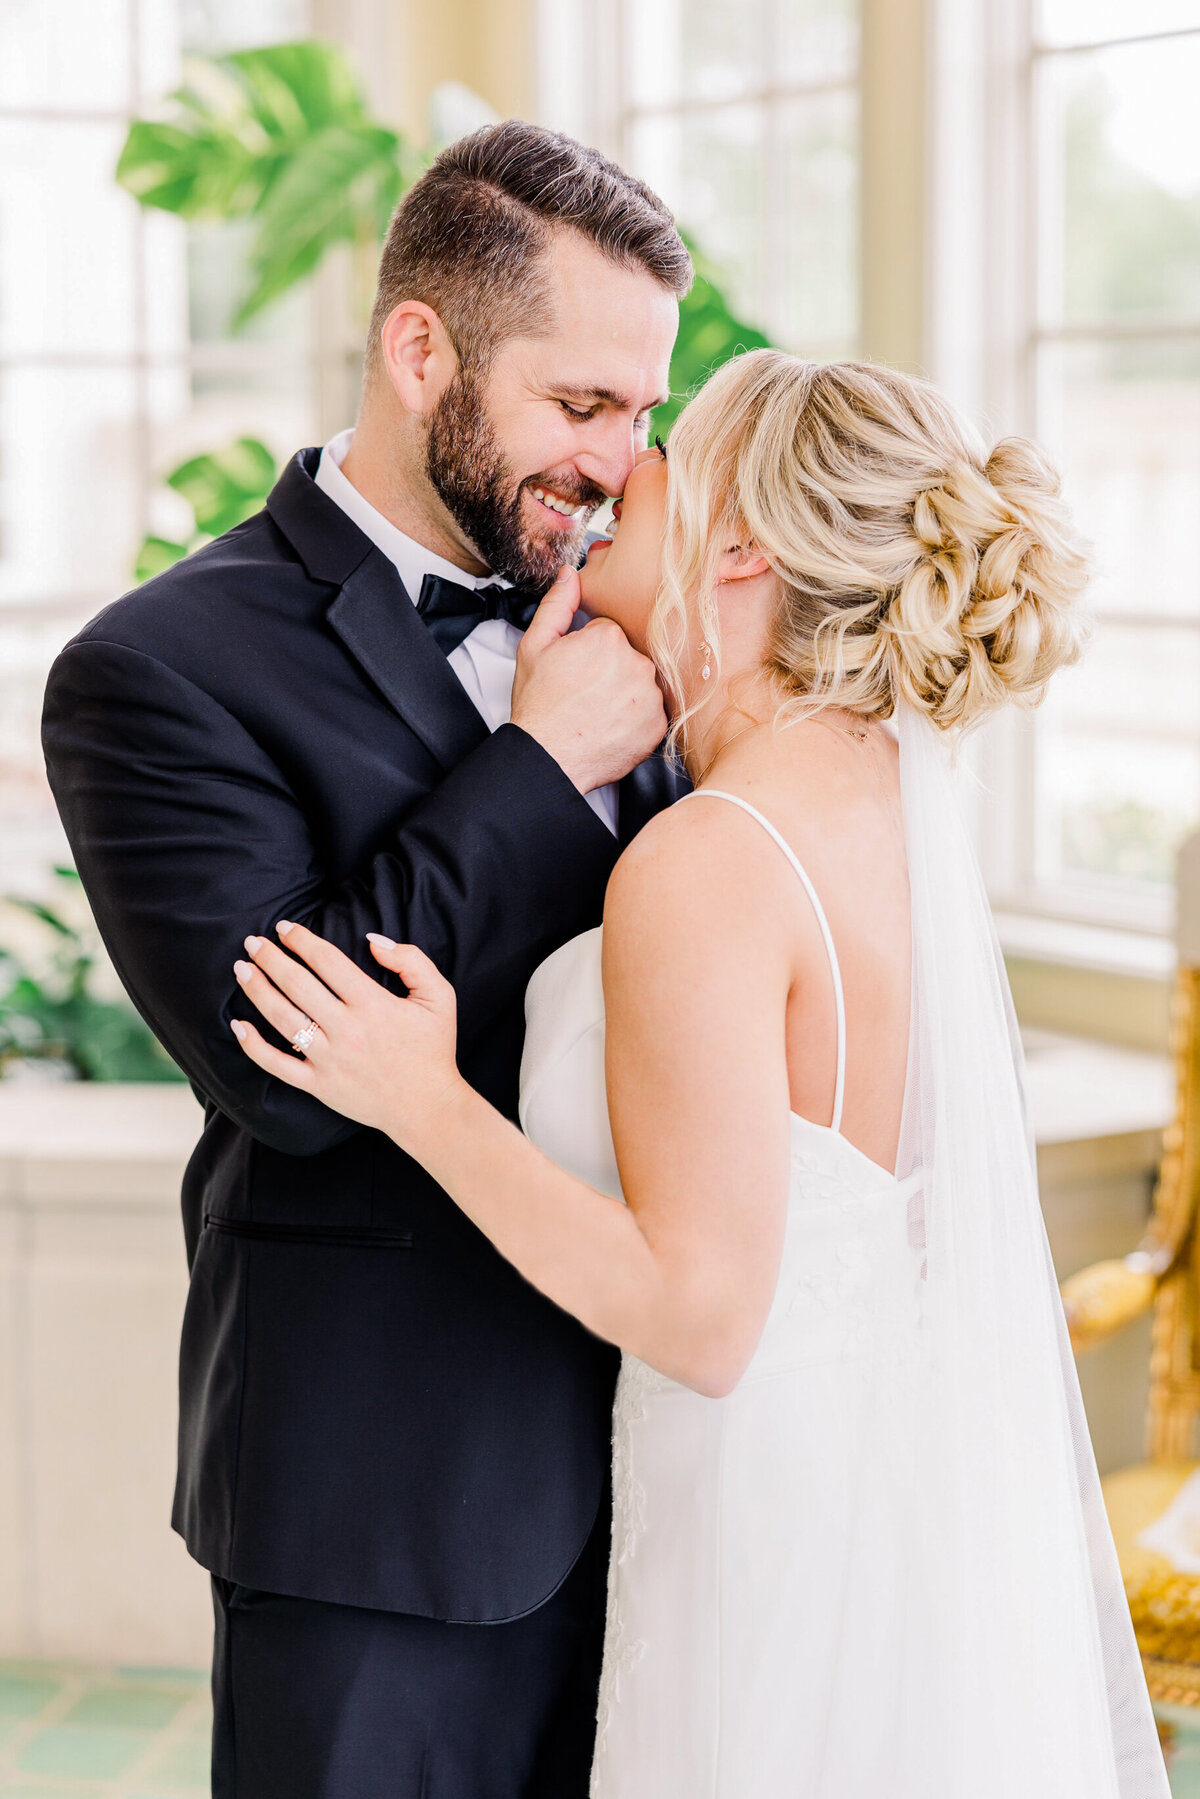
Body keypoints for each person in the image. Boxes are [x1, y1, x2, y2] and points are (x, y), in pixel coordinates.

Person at [230, 349, 1171, 1797]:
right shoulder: (880, 798)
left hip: (771, 1544)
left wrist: (419, 1096)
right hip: (898, 1521)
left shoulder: (710, 859)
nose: (619, 477)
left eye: (662, 454)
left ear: (738, 547)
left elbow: (703, 1311)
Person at [41, 122, 691, 1798]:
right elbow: (295, 1074)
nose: (621, 460)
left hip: (687, 1487)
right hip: (384, 1518)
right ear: (421, 351)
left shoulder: (638, 620)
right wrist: (539, 771)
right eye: (580, 405)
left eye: (642, 410)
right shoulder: (156, 672)